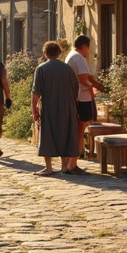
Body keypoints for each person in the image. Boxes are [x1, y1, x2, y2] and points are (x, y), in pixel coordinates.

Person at [30, 40, 81, 176]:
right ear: (59, 52)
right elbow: (76, 89)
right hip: (67, 106)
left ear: (45, 53)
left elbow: (36, 94)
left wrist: (34, 111)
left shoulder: (41, 69)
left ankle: (49, 167)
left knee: (48, 134)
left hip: (49, 106)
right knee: (65, 134)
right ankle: (64, 167)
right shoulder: (67, 68)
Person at [64, 35, 105, 172]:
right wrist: (94, 87)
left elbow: (87, 76)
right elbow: (83, 79)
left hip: (77, 96)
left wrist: (96, 83)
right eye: (89, 47)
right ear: (84, 46)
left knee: (79, 128)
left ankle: (71, 162)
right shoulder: (79, 58)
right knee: (80, 128)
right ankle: (73, 163)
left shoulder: (72, 55)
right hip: (82, 97)